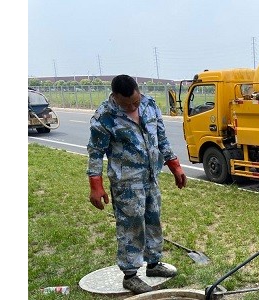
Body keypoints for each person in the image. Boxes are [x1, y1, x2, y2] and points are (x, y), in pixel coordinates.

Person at [87, 75, 187, 294]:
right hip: (126, 183)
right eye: (127, 104)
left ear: (138, 91)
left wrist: (175, 165)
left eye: (135, 101)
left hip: (151, 176)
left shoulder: (149, 104)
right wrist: (96, 184)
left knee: (153, 219)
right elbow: (95, 153)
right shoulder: (104, 116)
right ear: (115, 97)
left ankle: (153, 263)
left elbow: (161, 139)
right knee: (131, 226)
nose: (133, 106)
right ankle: (130, 275)